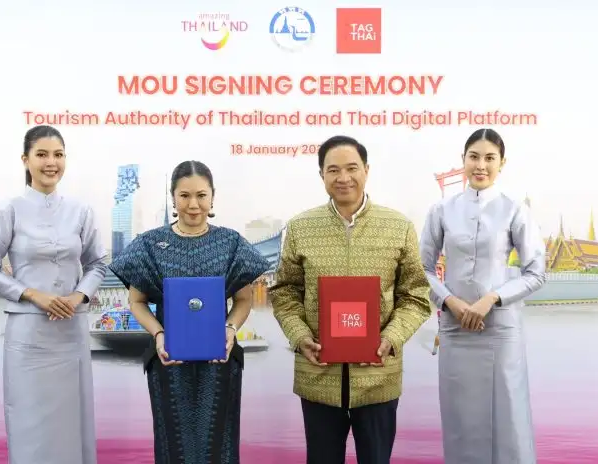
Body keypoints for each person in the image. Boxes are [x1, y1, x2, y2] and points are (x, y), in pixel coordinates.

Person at [269, 135, 432, 464]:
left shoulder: (398, 226)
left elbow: (416, 296)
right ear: (322, 175)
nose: (343, 178)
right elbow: (284, 292)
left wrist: (391, 337)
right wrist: (300, 336)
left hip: (378, 375)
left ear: (366, 170)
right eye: (333, 170)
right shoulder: (300, 228)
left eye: (352, 168)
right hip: (318, 375)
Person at [108, 160, 270, 464]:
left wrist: (230, 329)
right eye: (184, 195)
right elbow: (137, 302)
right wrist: (158, 334)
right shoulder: (149, 244)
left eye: (201, 195)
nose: (193, 204)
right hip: (168, 359)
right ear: (173, 198)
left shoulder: (231, 242)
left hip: (219, 360)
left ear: (212, 197)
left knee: (219, 445)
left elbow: (244, 300)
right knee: (173, 445)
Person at [0, 125, 107, 464]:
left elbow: (98, 264)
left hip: (71, 331)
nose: (51, 163)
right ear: (25, 159)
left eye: (58, 155)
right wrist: (32, 294)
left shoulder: (81, 211)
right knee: (29, 423)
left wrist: (78, 296)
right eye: (42, 154)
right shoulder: (7, 210)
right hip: (28, 333)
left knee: (74, 424)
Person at [419, 128, 546, 464]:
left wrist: (492, 298)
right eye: (474, 157)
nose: (481, 165)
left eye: (490, 158)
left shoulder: (514, 209)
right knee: (461, 420)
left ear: (502, 163)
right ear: (462, 160)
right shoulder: (441, 210)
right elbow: (422, 269)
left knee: (509, 420)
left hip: (500, 331)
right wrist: (450, 301)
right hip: (456, 329)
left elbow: (536, 272)